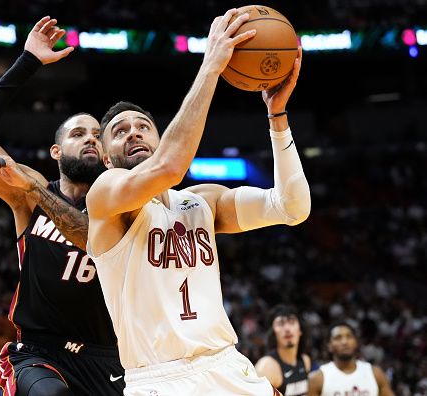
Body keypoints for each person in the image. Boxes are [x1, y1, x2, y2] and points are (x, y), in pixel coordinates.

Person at [86, 8, 311, 396]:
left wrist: (278, 118)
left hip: (226, 365)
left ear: (159, 137)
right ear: (106, 157)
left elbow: (292, 208)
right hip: (161, 378)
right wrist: (210, 67)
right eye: (120, 131)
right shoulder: (106, 196)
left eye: (143, 126)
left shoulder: (201, 201)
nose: (134, 133)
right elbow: (170, 166)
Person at [0, 16, 123, 396]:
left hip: (110, 356)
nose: (91, 140)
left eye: (98, 135)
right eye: (79, 134)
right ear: (56, 151)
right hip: (38, 353)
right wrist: (27, 61)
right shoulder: (27, 191)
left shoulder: (124, 207)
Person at [308, 322, 394, 396]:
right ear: (329, 345)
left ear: (356, 342)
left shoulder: (376, 374)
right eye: (338, 338)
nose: (344, 342)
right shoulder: (317, 379)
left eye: (349, 336)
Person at [255, 305, 311, 396]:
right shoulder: (267, 366)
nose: (287, 329)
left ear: (300, 330)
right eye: (281, 324)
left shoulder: (305, 361)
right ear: (273, 332)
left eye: (292, 322)